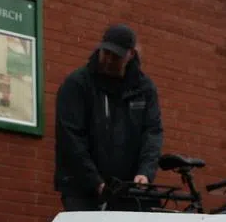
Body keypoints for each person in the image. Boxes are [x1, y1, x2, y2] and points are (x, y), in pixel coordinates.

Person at [54, 24, 163, 211]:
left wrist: (145, 173)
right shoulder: (78, 84)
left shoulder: (144, 89)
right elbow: (70, 137)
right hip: (82, 188)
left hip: (127, 188)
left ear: (130, 55)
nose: (109, 60)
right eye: (106, 53)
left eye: (117, 56)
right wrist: (95, 181)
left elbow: (152, 132)